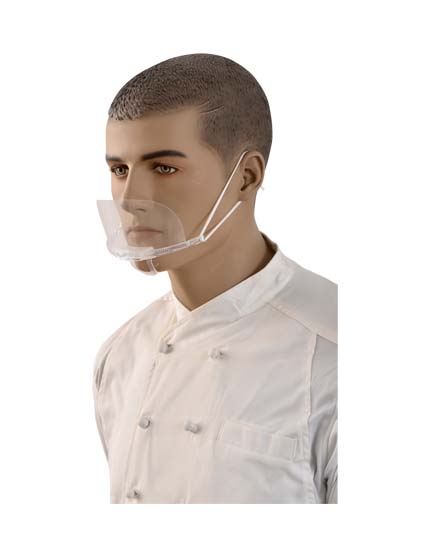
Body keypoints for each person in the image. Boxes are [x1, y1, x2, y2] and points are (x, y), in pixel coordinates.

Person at [93, 53, 338, 504]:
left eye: (163, 168)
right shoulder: (120, 356)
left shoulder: (332, 353)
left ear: (246, 177)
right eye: (119, 170)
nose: (129, 199)